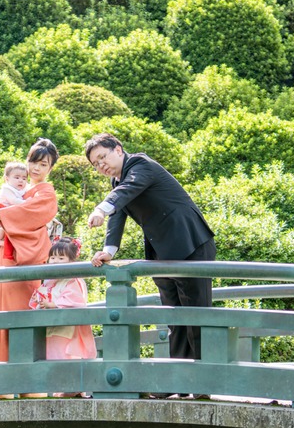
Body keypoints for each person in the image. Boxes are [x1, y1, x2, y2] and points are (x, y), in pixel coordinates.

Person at [84, 132, 216, 365]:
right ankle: (180, 375)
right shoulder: (117, 182)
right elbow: (118, 214)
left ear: (118, 149)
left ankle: (205, 375)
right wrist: (109, 251)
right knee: (174, 319)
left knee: (196, 317)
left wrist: (101, 209)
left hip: (190, 243)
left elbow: (125, 191)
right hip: (162, 252)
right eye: (95, 163)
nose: (100, 165)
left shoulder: (140, 164)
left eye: (102, 157)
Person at [0, 138, 60, 364]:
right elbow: (0, 218)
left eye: (43, 164)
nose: (36, 168)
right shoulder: (19, 189)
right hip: (5, 255)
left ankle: (24, 373)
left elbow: (24, 213)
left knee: (23, 311)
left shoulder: (45, 193)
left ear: (50, 168)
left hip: (26, 258)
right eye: (33, 162)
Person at [30, 237, 97, 378]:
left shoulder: (73, 280)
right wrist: (39, 301)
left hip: (66, 328)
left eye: (61, 258)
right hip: (49, 328)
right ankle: (54, 386)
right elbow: (41, 295)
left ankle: (67, 385)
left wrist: (52, 304)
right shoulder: (49, 280)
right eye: (53, 258)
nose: (55, 261)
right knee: (49, 357)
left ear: (71, 261)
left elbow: (74, 300)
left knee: (63, 358)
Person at [0, 161, 28, 262]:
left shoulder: (22, 189)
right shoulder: (7, 189)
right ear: (7, 179)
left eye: (24, 178)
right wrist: (27, 202)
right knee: (2, 228)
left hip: (5, 213)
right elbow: (14, 201)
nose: (21, 180)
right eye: (17, 177)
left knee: (5, 227)